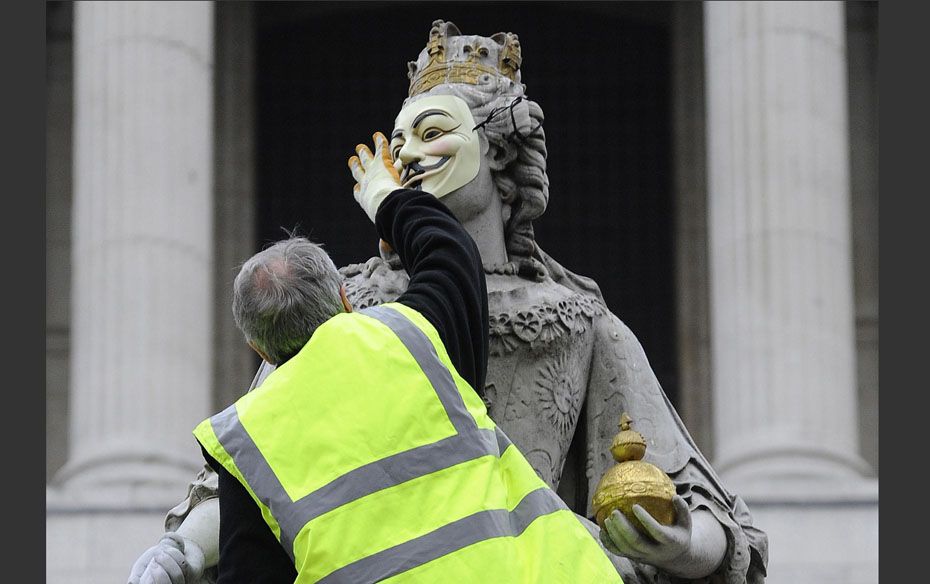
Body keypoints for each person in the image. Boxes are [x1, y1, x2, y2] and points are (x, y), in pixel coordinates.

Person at [129, 19, 767, 584]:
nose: (406, 155)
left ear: (498, 151)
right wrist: (183, 547)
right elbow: (260, 468)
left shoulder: (580, 323)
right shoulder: (344, 313)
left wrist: (679, 542)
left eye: (433, 132)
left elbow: (708, 514)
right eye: (399, 140)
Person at [188, 132, 622, 583]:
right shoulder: (411, 334)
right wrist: (384, 196)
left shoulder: (246, 438)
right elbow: (449, 254)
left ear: (258, 349)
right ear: (345, 296)